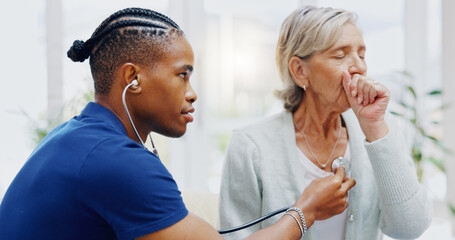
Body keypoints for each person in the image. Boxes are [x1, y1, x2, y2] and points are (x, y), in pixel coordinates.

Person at [0, 7, 356, 240]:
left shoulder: (73, 136)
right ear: (132, 78)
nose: (192, 93)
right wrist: (307, 209)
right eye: (182, 75)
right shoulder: (116, 161)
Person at [219, 5, 432, 240]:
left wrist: (375, 128)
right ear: (300, 71)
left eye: (361, 55)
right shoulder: (250, 146)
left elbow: (409, 228)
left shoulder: (380, 128)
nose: (360, 67)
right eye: (340, 55)